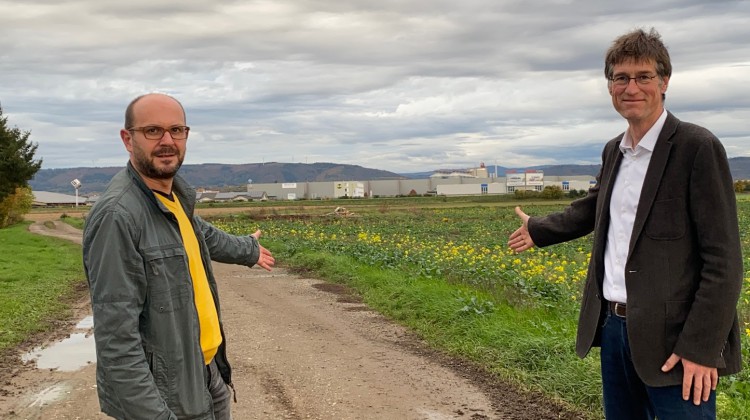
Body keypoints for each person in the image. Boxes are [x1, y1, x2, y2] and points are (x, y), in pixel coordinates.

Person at [508, 28, 742, 420]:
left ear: (664, 82)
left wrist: (701, 348)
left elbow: (725, 261)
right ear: (610, 86)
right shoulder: (614, 150)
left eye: (643, 76)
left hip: (676, 341)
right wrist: (539, 229)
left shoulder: (696, 147)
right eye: (621, 78)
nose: (631, 88)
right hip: (615, 330)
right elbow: (595, 207)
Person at [83, 93, 275, 419]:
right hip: (168, 395)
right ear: (128, 139)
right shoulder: (119, 215)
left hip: (204, 371)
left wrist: (248, 249)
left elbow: (203, 235)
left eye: (176, 130)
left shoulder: (170, 198)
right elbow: (117, 342)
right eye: (153, 131)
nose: (167, 141)